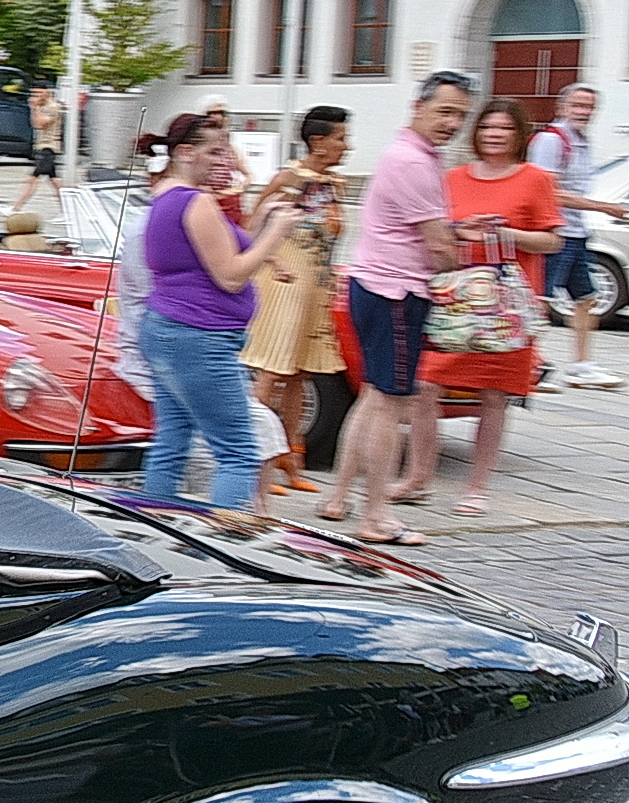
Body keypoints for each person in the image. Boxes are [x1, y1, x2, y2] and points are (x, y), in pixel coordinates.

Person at [318, 71, 475, 544]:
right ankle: (376, 516)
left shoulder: (409, 154)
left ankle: (338, 498)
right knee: (392, 404)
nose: (452, 123)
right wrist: (465, 258)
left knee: (372, 396)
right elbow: (438, 248)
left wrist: (453, 232)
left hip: (373, 285)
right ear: (418, 107)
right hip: (397, 294)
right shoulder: (413, 161)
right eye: (444, 111)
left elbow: (425, 229)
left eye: (460, 115)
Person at [391, 99, 561, 518]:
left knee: (494, 395)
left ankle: (477, 487)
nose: (494, 135)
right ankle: (418, 477)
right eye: (487, 127)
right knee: (426, 386)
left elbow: (552, 240)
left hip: (504, 310)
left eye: (504, 128)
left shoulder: (535, 179)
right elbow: (436, 230)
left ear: (519, 135)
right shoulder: (453, 177)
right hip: (456, 302)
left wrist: (508, 233)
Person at [137, 113, 299, 511]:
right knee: (238, 451)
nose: (225, 159)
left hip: (166, 329)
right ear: (185, 153)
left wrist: (262, 221)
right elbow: (230, 276)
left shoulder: (164, 196)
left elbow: (210, 254)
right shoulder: (197, 202)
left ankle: (154, 524)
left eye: (226, 150)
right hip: (201, 338)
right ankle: (226, 540)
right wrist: (276, 233)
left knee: (171, 442)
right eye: (215, 151)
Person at [240, 105, 351, 494]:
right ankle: (256, 462)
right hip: (285, 284)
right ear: (318, 142)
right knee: (271, 372)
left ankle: (292, 458)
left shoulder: (334, 185)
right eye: (341, 138)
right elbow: (251, 226)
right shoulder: (289, 179)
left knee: (299, 375)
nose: (347, 146)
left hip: (316, 287)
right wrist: (273, 261)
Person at [529, 83, 628, 389]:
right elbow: (547, 192)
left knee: (587, 298)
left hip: (576, 233)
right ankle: (531, 366)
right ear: (562, 107)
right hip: (555, 233)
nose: (584, 112)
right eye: (578, 105)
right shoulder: (552, 141)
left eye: (589, 107)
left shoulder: (582, 142)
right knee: (540, 301)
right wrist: (602, 207)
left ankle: (582, 366)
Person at [10, 80, 63, 214]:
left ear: (47, 92)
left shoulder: (52, 107)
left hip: (48, 147)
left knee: (32, 179)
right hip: (42, 146)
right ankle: (67, 212)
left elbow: (39, 124)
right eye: (34, 93)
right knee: (56, 182)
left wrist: (35, 108)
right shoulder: (43, 106)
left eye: (39, 93)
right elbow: (35, 124)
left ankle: (15, 208)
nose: (36, 96)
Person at [201, 95, 251, 226]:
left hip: (229, 206)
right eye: (214, 113)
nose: (219, 117)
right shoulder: (199, 147)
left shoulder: (230, 149)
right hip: (207, 205)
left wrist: (237, 188)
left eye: (223, 113)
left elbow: (248, 175)